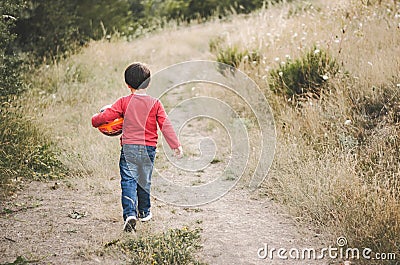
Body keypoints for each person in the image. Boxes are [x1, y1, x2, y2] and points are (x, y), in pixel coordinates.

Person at [91, 62, 183, 232]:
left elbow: (105, 117)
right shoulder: (155, 103)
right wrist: (175, 145)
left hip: (129, 149)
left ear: (127, 84)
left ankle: (129, 214)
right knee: (144, 181)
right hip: (148, 149)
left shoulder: (123, 102)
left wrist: (95, 119)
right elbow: (165, 124)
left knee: (128, 180)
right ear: (148, 82)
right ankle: (145, 212)